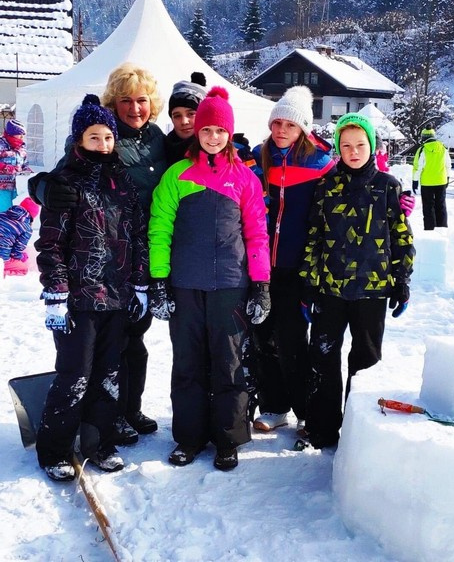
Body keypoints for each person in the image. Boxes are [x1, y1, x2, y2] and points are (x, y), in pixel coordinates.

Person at [29, 63, 167, 446]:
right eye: (126, 101)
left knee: (134, 342)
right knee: (102, 352)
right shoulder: (99, 135)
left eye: (142, 100)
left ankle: (127, 409)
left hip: (140, 257)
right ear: (112, 103)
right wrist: (42, 188)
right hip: (96, 264)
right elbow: (61, 175)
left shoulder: (158, 139)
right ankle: (107, 419)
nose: (135, 108)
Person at [148, 86, 270, 471]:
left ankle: (228, 438)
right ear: (196, 132)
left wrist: (261, 285)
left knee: (229, 363)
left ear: (229, 133)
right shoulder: (176, 175)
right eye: (206, 130)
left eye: (220, 130)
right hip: (185, 285)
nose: (213, 137)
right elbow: (160, 230)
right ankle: (189, 436)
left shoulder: (245, 179)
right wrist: (158, 280)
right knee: (188, 362)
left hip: (231, 286)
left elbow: (257, 234)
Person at [299, 113, 415, 449]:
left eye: (360, 145)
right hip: (330, 289)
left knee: (365, 362)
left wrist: (401, 280)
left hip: (372, 291)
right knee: (323, 357)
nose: (353, 152)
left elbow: (401, 237)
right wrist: (309, 284)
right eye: (346, 145)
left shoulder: (388, 186)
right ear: (338, 148)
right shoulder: (326, 187)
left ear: (372, 146)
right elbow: (314, 237)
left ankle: (357, 432)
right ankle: (322, 428)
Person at [250, 85, 336, 434]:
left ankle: (303, 408)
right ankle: (274, 406)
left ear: (303, 129)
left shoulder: (321, 164)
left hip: (298, 267)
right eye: (277, 123)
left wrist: (393, 200)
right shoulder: (258, 157)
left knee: (293, 340)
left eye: (290, 124)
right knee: (262, 337)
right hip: (260, 265)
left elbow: (350, 193)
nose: (282, 130)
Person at [412, 125, 451, 230]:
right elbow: (448, 164)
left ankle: (429, 228)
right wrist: (447, 177)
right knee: (441, 205)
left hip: (427, 182)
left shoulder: (422, 150)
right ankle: (442, 227)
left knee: (428, 206)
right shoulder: (443, 148)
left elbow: (417, 167)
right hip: (441, 181)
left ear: (423, 137)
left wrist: (415, 181)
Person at [166, 72, 207, 164]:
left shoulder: (216, 152)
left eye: (191, 114)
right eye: (177, 116)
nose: (184, 121)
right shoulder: (160, 149)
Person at [0, 197, 39, 276]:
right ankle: (2, 273)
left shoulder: (2, 214)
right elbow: (15, 253)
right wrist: (22, 257)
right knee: (23, 269)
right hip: (1, 257)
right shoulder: (26, 229)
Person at [0, 119, 32, 212]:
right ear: (11, 133)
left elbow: (24, 163)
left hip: (17, 186)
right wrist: (6, 168)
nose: (22, 137)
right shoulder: (1, 145)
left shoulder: (21, 147)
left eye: (23, 135)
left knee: (15, 212)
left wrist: (28, 171)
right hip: (2, 188)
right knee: (4, 212)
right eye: (19, 134)